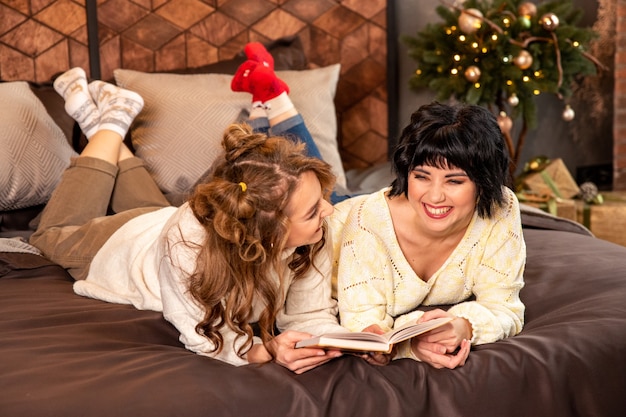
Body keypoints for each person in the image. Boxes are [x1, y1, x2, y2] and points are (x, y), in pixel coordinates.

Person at [29, 49, 348, 373]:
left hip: (162, 223)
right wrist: (262, 349)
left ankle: (104, 121)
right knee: (47, 237)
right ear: (265, 228)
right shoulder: (188, 250)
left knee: (153, 212)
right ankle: (109, 126)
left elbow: (310, 315)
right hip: (125, 244)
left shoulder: (314, 231)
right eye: (311, 211)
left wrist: (351, 340)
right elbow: (209, 338)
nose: (329, 211)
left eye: (322, 198)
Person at [329, 102, 526, 369]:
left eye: (454, 181)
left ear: (484, 182)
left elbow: (506, 308)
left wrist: (463, 325)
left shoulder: (502, 208)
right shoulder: (368, 222)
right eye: (421, 176)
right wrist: (413, 342)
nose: (434, 196)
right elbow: (362, 327)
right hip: (320, 230)